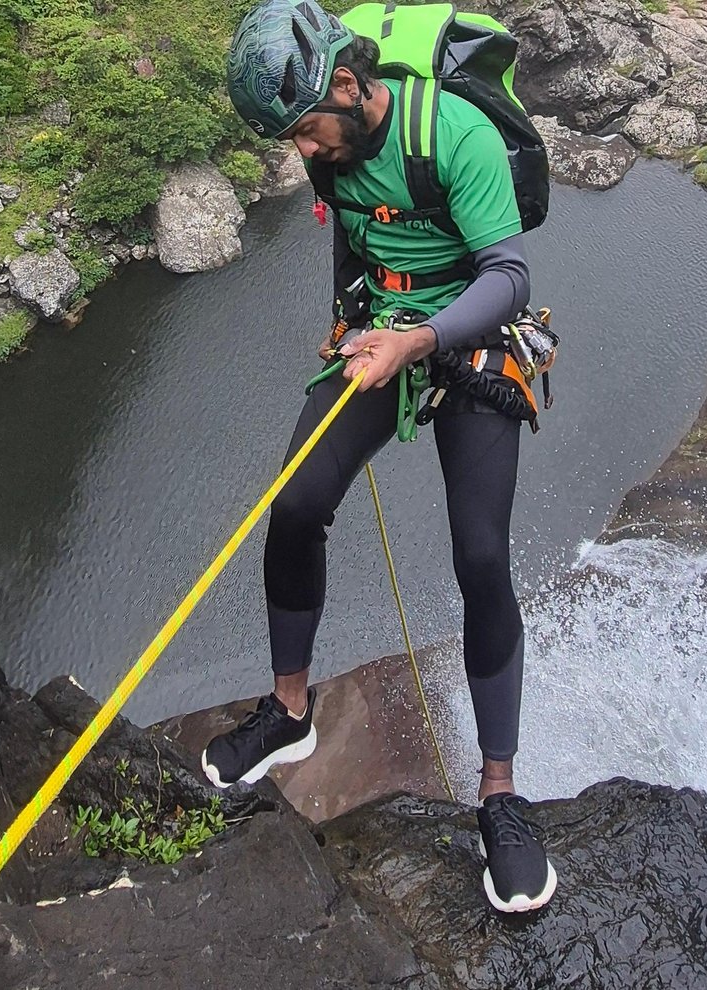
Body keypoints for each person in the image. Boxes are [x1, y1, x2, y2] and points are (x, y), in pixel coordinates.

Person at [202, 0, 556, 913]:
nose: (307, 155)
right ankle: (289, 711)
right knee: (295, 502)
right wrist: (353, 322)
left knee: (480, 555)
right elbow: (354, 238)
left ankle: (501, 793)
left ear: (352, 88)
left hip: (470, 333)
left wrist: (420, 339)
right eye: (294, 141)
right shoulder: (335, 150)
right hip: (382, 332)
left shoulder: (455, 134)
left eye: (310, 131)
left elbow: (509, 275)